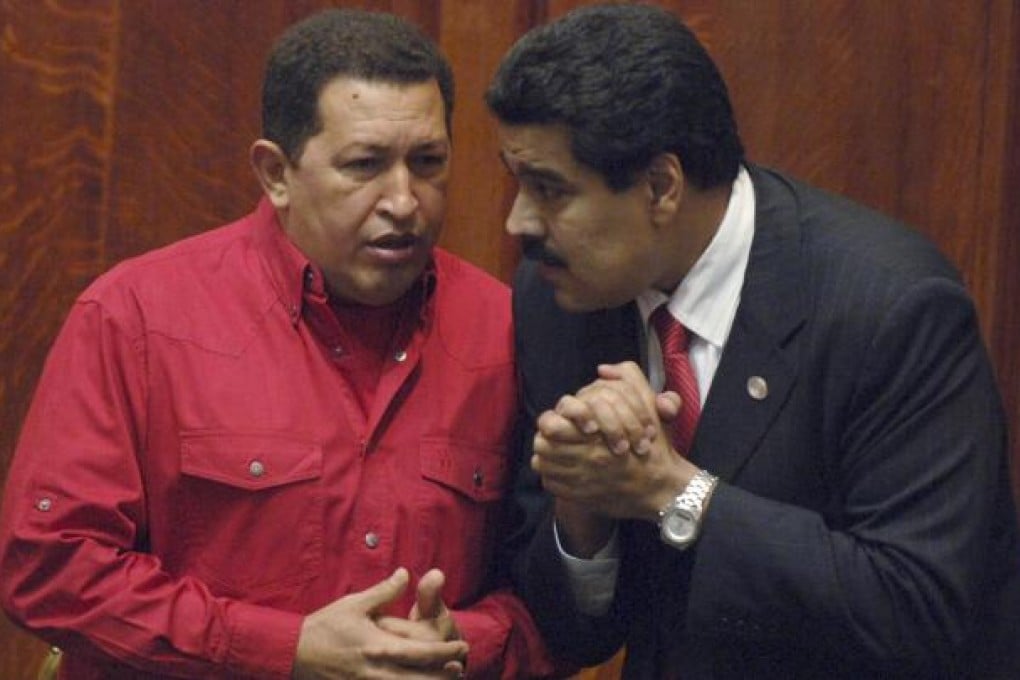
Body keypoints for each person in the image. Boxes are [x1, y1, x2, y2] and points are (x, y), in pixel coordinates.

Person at [0, 9, 556, 679]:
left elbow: (562, 597)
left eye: (428, 163)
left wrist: (458, 641)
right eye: (365, 165)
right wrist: (281, 651)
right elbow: (48, 566)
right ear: (276, 173)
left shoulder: (510, 329)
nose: (405, 201)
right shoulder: (138, 316)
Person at [486, 4, 1020, 678]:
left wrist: (673, 493)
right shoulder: (558, 297)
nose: (518, 223)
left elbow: (921, 610)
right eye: (517, 183)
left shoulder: (890, 309)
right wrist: (583, 509)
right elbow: (567, 631)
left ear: (660, 187)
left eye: (548, 190)